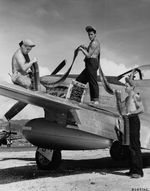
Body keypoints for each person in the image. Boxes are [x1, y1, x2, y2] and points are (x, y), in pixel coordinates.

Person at [119, 77, 144, 178]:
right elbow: (121, 109)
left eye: (127, 86)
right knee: (129, 146)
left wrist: (131, 112)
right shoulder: (126, 98)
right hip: (127, 120)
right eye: (125, 85)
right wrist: (117, 98)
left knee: (135, 145)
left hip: (133, 120)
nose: (125, 87)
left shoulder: (136, 96)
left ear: (132, 87)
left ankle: (138, 171)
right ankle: (132, 170)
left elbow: (142, 109)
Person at [76, 26, 100, 104]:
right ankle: (76, 97)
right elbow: (90, 51)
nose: (90, 36)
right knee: (80, 80)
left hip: (92, 63)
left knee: (92, 81)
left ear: (95, 34)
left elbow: (89, 55)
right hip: (89, 64)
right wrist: (85, 47)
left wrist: (81, 50)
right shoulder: (92, 42)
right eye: (89, 34)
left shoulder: (94, 43)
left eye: (91, 34)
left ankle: (95, 100)